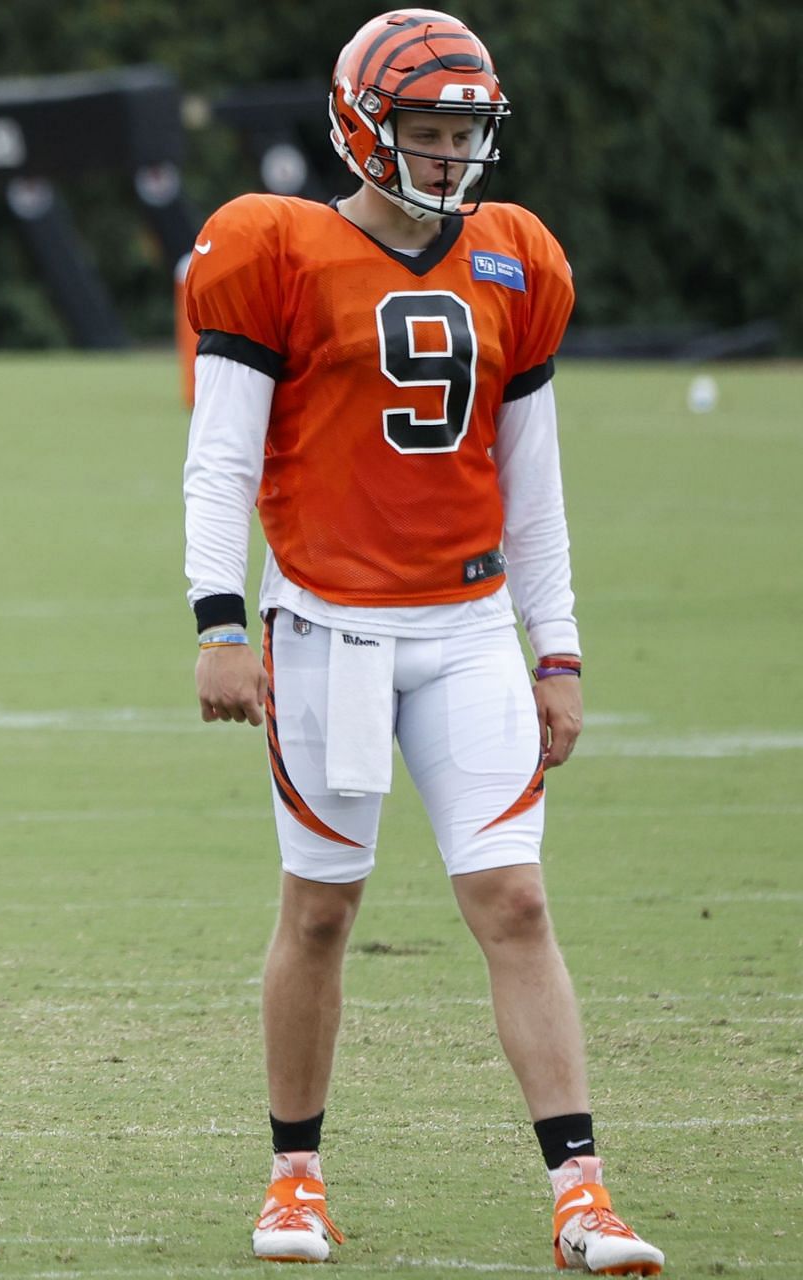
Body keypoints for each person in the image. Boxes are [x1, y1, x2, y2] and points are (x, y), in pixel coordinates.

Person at [181, 10, 663, 1274]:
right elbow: (220, 459)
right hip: (327, 625)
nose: (449, 156)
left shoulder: (517, 258)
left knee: (514, 896)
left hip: (465, 627)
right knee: (324, 910)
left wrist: (556, 651)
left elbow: (535, 483)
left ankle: (583, 1192)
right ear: (362, 127)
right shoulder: (275, 248)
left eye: (463, 133)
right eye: (427, 131)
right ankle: (295, 1176)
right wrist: (218, 622)